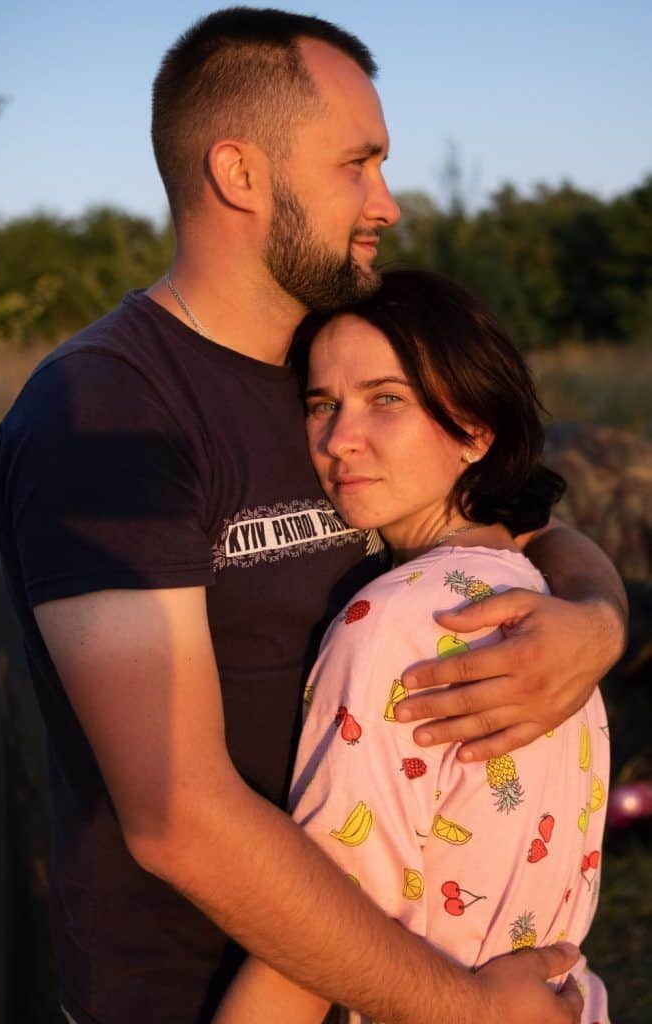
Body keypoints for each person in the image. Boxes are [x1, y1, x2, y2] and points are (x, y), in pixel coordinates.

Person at [0, 9, 625, 1024]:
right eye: (356, 164)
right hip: (200, 998)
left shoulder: (330, 365)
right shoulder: (108, 410)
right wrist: (466, 1011)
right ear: (240, 172)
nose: (387, 203)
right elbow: (177, 815)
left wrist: (593, 616)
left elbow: (507, 514)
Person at [214, 268, 611, 1023]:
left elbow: (322, 922)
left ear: (475, 430)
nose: (339, 440)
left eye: (386, 399)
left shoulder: (392, 622)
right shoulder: (543, 601)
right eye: (321, 404)